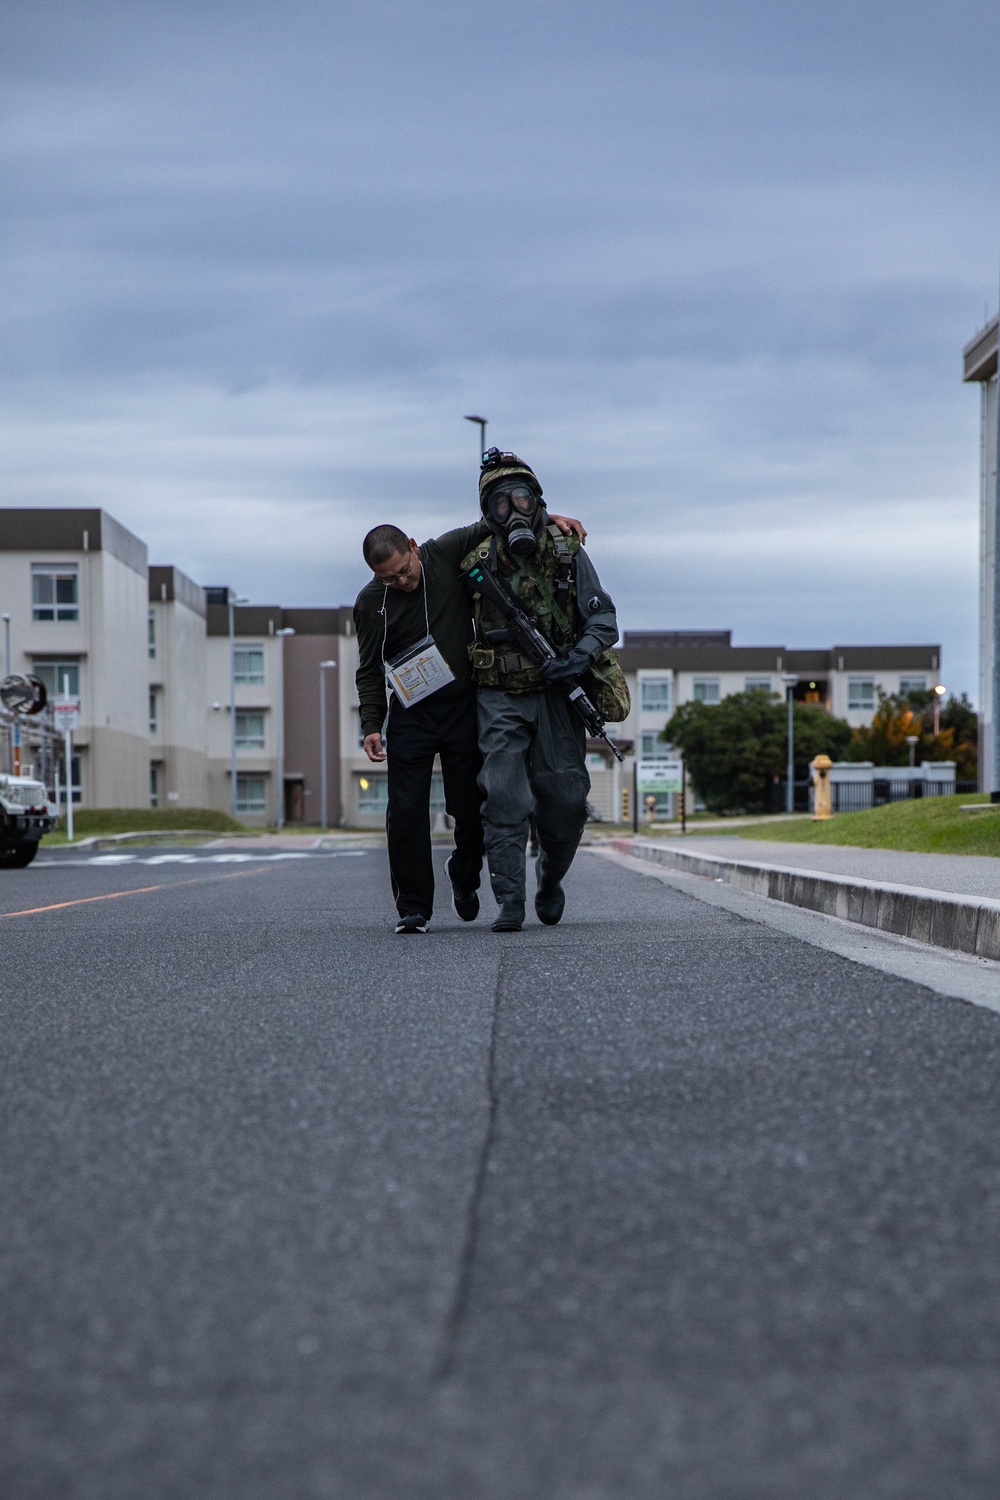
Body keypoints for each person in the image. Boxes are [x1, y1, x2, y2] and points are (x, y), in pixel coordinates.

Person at [354, 509, 585, 934]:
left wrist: (548, 518)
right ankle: (414, 908)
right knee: (405, 810)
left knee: (470, 808)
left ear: (413, 548)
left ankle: (463, 874)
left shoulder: (443, 552)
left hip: (462, 707)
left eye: (404, 571)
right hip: (412, 712)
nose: (401, 582)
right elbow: (368, 669)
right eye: (388, 579)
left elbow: (496, 519)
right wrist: (372, 724)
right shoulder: (371, 604)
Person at [462, 450, 619, 933]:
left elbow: (604, 621)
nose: (513, 511)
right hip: (500, 695)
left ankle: (550, 879)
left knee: (567, 801)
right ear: (488, 513)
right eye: (501, 503)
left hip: (557, 695)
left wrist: (579, 658)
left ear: (538, 501)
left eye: (522, 499)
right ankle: (510, 901)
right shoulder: (474, 561)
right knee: (504, 796)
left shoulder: (568, 551)